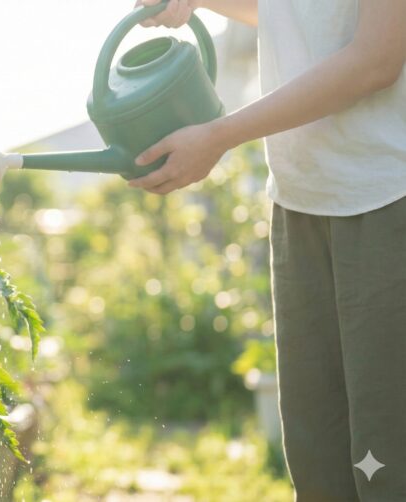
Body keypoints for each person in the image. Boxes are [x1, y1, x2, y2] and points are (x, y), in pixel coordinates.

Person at [132, 0, 406, 500]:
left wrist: (219, 136)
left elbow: (377, 58)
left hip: (388, 202)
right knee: (318, 465)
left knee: (390, 463)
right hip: (300, 202)